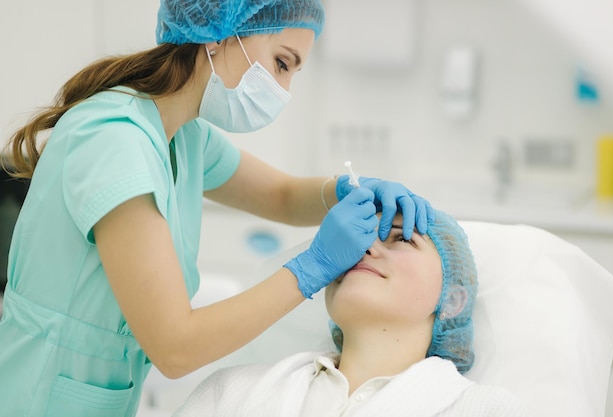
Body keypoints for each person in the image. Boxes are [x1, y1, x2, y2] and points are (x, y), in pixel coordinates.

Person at [0, 1, 435, 416]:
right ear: (219, 35)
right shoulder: (114, 140)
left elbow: (280, 195)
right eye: (282, 64)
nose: (283, 91)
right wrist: (312, 267)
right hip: (34, 395)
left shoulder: (184, 136)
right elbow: (175, 347)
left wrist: (345, 190)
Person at [173, 208, 530, 417]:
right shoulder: (233, 390)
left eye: (400, 238)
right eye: (358, 240)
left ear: (452, 300)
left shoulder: (486, 410)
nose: (367, 249)